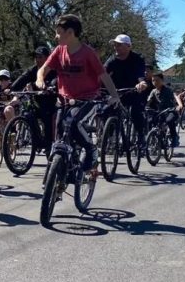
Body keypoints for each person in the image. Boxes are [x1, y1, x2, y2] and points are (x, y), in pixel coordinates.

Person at [35, 14, 120, 183]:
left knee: (74, 123)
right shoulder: (59, 51)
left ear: (70, 32)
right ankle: (67, 166)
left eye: (59, 32)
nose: (56, 36)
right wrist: (40, 80)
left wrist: (114, 96)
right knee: (59, 131)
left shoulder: (88, 53)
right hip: (64, 99)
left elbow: (103, 76)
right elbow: (43, 69)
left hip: (87, 100)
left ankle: (90, 149)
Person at [10, 46, 57, 155]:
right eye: (36, 57)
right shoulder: (33, 70)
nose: (37, 59)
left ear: (47, 58)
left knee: (47, 117)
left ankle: (49, 144)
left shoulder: (53, 70)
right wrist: (11, 89)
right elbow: (22, 79)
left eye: (40, 57)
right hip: (37, 103)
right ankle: (37, 140)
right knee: (27, 114)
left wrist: (51, 87)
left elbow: (56, 80)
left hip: (51, 103)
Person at [104, 34, 148, 146]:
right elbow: (103, 74)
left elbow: (140, 75)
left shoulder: (137, 59)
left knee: (135, 112)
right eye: (115, 45)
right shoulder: (112, 60)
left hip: (133, 90)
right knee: (106, 110)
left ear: (128, 46)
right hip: (116, 92)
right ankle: (108, 137)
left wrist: (141, 83)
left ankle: (141, 135)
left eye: (119, 45)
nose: (116, 47)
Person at [147, 73, 184, 147]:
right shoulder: (153, 91)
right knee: (150, 121)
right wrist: (145, 107)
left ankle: (174, 137)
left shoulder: (168, 90)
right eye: (153, 80)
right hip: (160, 112)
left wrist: (180, 105)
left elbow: (175, 96)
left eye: (157, 80)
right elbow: (148, 101)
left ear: (162, 80)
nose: (155, 82)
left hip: (170, 111)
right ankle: (156, 139)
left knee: (169, 121)